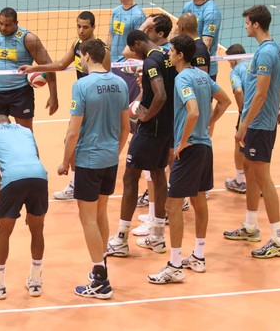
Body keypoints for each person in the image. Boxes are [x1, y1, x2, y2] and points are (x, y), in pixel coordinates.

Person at [147, 35, 230, 284]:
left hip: (190, 149)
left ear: (180, 55)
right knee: (198, 200)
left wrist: (182, 142)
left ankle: (174, 265)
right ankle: (199, 256)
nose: (168, 55)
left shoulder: (182, 78)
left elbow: (192, 111)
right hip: (205, 146)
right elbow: (225, 101)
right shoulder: (204, 76)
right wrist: (209, 123)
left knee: (173, 206)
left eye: (171, 51)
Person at [58, 39, 129, 299]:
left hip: (89, 160)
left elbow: (73, 131)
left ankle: (100, 280)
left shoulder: (82, 85)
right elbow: (126, 128)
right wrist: (115, 152)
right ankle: (101, 264)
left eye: (80, 56)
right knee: (100, 213)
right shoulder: (120, 83)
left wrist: (65, 162)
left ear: (87, 56)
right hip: (110, 159)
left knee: (87, 217)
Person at [19, 10, 110, 200]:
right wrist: (36, 68)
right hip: (83, 99)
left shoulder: (101, 50)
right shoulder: (77, 45)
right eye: (79, 26)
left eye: (85, 27)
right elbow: (60, 64)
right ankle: (77, 184)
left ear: (93, 27)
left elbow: (107, 75)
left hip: (97, 103)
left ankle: (83, 184)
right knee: (74, 142)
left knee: (80, 142)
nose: (81, 30)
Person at [223, 5, 280, 259]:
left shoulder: (266, 54)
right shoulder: (266, 50)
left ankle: (278, 239)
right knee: (250, 171)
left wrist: (244, 124)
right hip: (260, 122)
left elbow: (261, 94)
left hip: (259, 124)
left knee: (263, 177)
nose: (245, 26)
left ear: (256, 25)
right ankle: (251, 226)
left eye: (247, 23)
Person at [107, 30, 176, 257]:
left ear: (137, 43)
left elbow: (161, 95)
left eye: (133, 51)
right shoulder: (166, 55)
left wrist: (146, 116)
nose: (133, 55)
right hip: (167, 127)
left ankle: (121, 238)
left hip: (151, 130)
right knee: (158, 174)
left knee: (130, 177)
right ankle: (157, 236)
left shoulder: (151, 62)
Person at [0, 7, 58, 190]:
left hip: (21, 92)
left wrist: (54, 96)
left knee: (26, 135)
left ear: (16, 24)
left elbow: (49, 66)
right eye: (1, 23)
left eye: (8, 25)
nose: (4, 28)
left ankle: (35, 170)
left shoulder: (28, 39)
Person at [0, 114, 48, 300]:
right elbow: (36, 157)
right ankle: (36, 281)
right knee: (37, 229)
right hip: (39, 177)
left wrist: (2, 206)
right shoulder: (26, 131)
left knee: (3, 231)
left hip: (13, 180)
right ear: (9, 122)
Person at [108, 0, 146, 105]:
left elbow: (139, 44)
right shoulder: (116, 11)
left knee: (126, 102)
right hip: (113, 64)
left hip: (127, 66)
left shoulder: (138, 15)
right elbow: (111, 34)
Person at [181, 0, 222, 81]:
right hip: (187, 63)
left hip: (204, 66)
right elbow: (179, 30)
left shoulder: (211, 11)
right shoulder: (187, 6)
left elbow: (205, 45)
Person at [223, 44, 250, 194]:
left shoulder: (236, 71)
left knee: (239, 143)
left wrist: (242, 110)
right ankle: (259, 182)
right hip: (265, 112)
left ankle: (240, 180)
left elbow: (238, 91)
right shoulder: (256, 64)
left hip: (248, 112)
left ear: (232, 60)